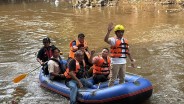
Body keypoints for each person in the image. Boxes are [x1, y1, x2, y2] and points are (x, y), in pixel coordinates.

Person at [104, 23, 135, 87]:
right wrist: (108, 31)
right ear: (116, 33)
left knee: (122, 78)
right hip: (115, 63)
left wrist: (132, 60)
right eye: (119, 32)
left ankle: (121, 90)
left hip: (123, 62)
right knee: (113, 79)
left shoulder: (125, 40)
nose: (121, 33)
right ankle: (110, 91)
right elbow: (106, 40)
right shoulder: (113, 40)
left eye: (122, 32)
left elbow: (127, 51)